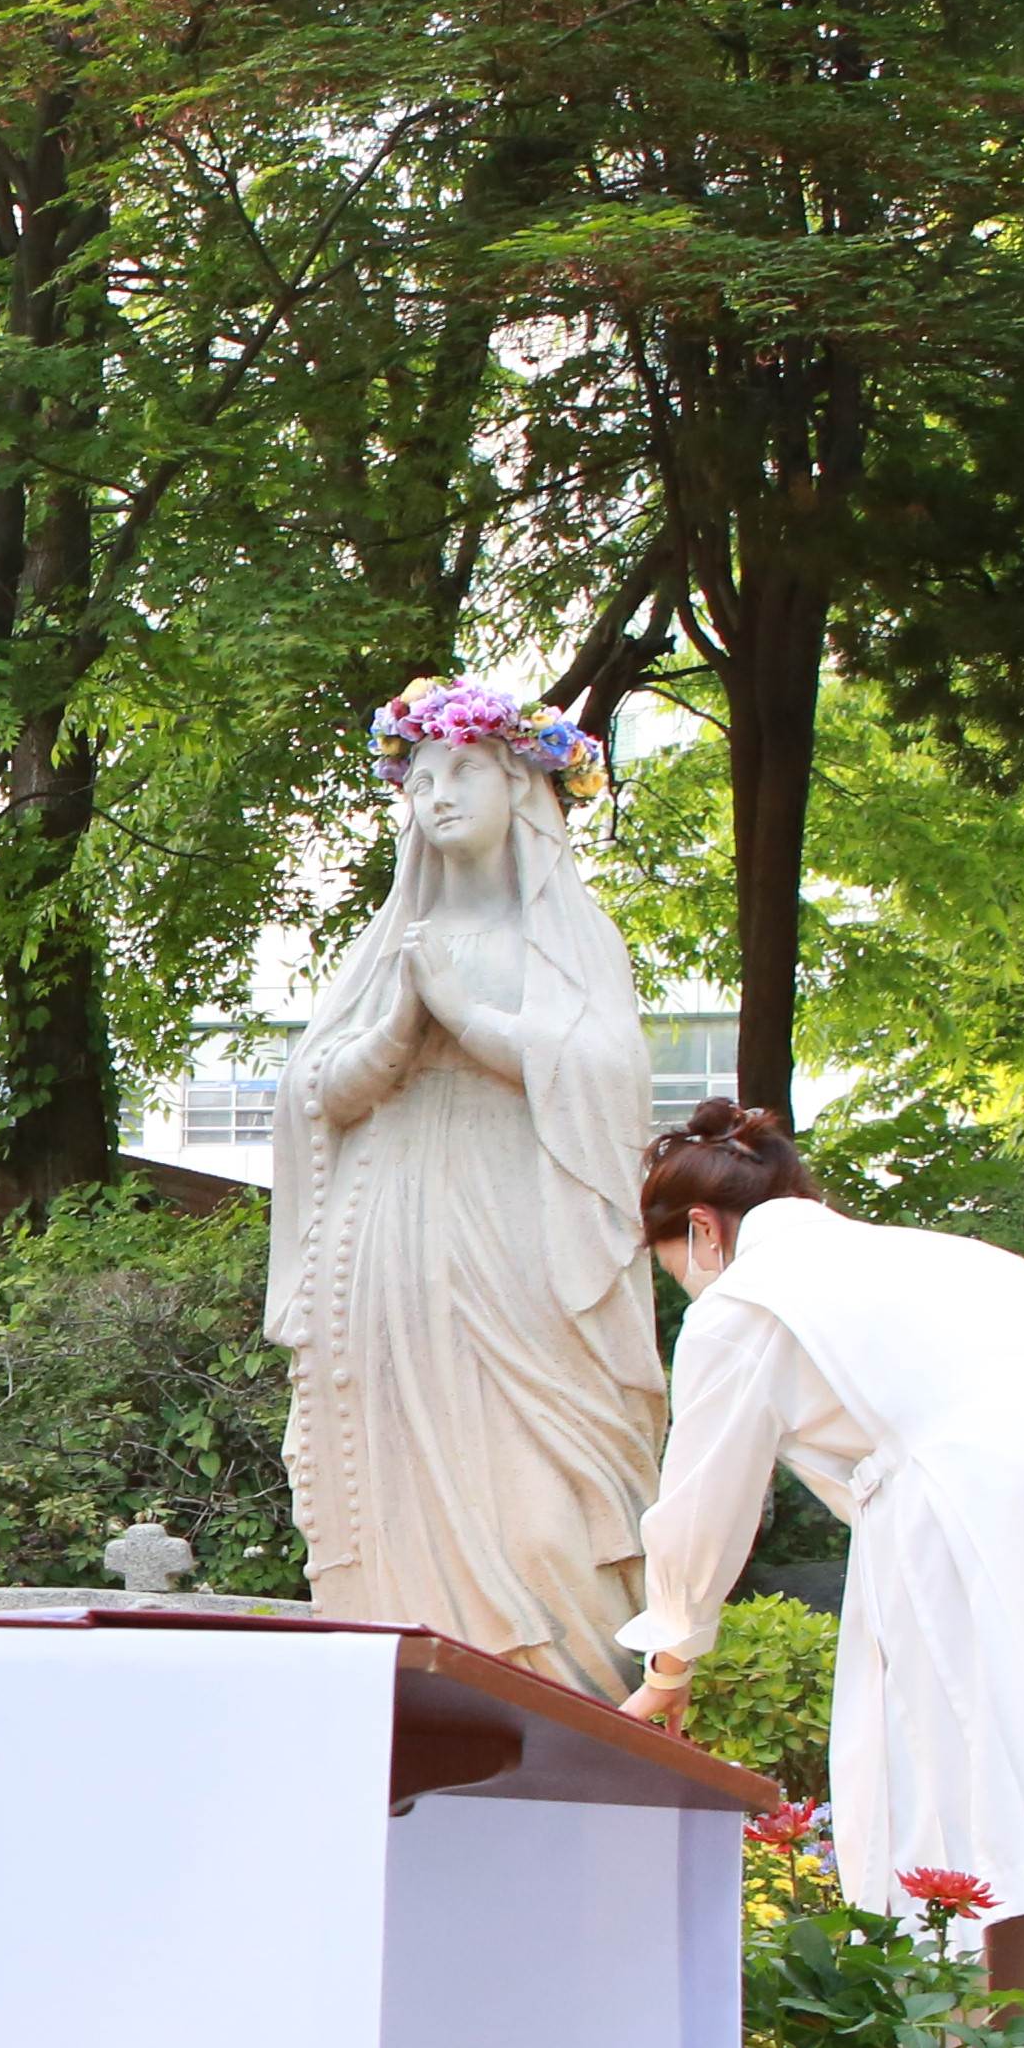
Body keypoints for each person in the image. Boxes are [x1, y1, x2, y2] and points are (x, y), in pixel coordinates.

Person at [613, 1103, 1024, 2048]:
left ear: (701, 1229)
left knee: (951, 1801)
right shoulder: (967, 1259)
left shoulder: (746, 1300)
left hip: (983, 1507)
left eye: (676, 1267)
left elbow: (701, 1505)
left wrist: (671, 1658)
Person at [266, 680, 669, 1701]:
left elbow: (607, 1075)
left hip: (525, 1232)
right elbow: (314, 1094)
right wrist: (401, 1027)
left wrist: (465, 1014)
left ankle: (573, 1704)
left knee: (539, 1506)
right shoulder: (386, 948)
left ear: (520, 787)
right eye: (422, 779)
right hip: (391, 1235)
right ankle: (407, 1700)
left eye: (463, 772)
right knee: (397, 1478)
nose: (436, 795)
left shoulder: (569, 936)